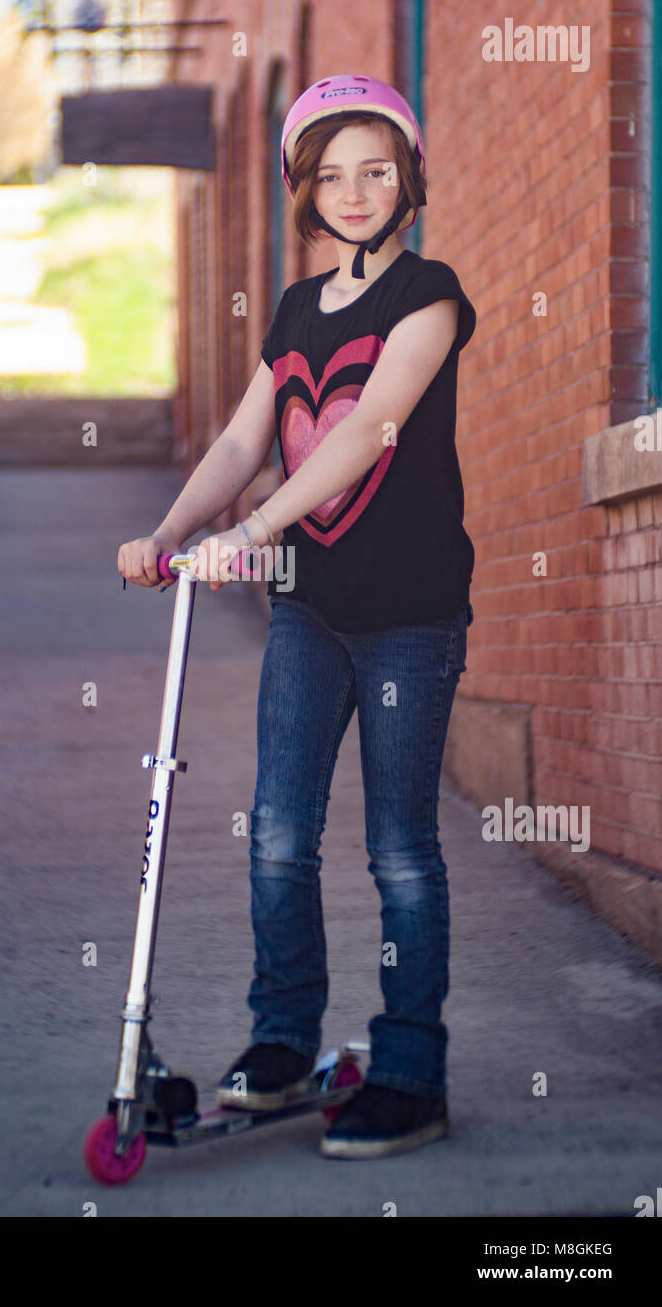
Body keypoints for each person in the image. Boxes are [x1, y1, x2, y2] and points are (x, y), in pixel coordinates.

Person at [117, 74, 476, 1159]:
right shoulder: (289, 309)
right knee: (276, 836)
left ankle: (409, 1072)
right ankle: (281, 1045)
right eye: (331, 173)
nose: (354, 190)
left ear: (406, 178)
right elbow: (240, 442)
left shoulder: (429, 294)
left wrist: (260, 525)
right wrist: (171, 532)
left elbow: (367, 427)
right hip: (309, 613)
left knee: (400, 851)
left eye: (375, 169)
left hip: (410, 613)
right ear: (303, 189)